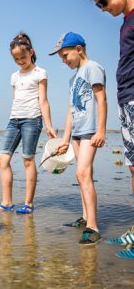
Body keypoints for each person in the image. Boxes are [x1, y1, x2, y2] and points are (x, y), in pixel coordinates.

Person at [79, 0, 134, 251]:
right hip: (126, 100)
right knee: (133, 167)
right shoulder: (125, 22)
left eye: (103, 1)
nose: (101, 8)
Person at [49, 32, 107, 244]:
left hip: (90, 129)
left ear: (79, 49)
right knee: (80, 174)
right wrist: (65, 139)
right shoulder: (73, 78)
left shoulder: (93, 68)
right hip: (77, 131)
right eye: (61, 58)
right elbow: (70, 110)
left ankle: (93, 226)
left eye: (65, 56)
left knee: (84, 173)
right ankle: (84, 218)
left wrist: (101, 131)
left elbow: (101, 99)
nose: (64, 61)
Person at [0, 32, 56, 214]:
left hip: (32, 119)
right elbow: (16, 99)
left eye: (23, 57)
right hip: (14, 120)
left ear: (31, 52)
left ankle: (28, 203)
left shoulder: (40, 73)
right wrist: (12, 117)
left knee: (28, 160)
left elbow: (43, 100)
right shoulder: (14, 76)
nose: (20, 61)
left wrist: (49, 125)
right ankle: (7, 202)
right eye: (16, 59)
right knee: (2, 158)